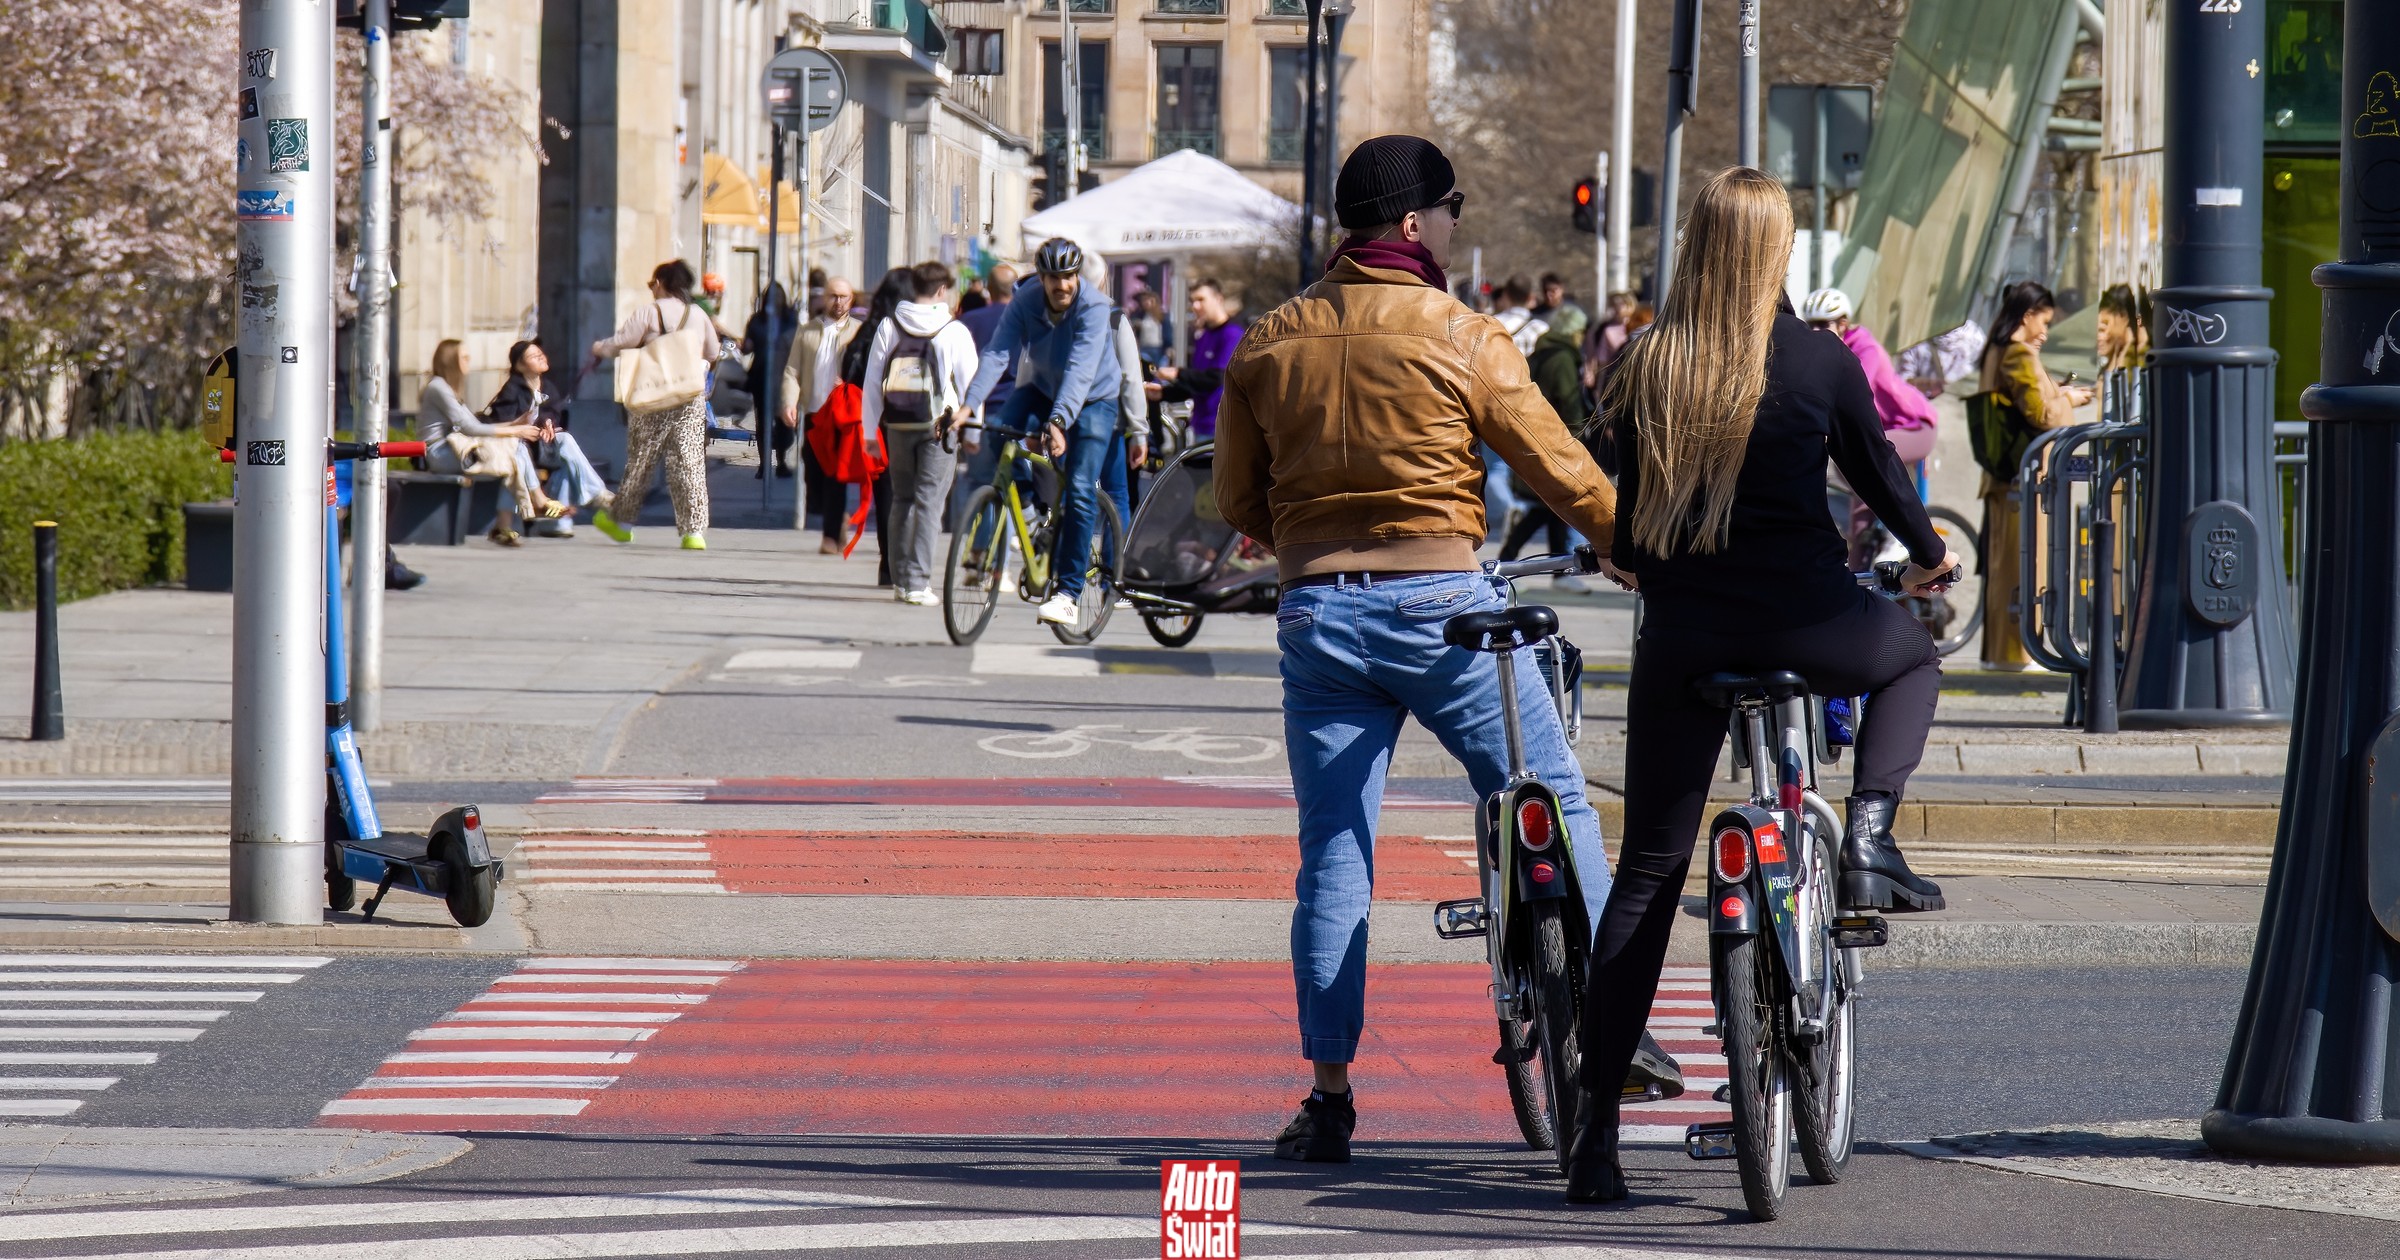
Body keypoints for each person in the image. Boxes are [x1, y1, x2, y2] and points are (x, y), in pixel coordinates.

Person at [1214, 135, 1669, 1166]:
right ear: (1415, 225)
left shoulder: (1269, 339)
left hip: (1319, 613)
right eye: (1452, 209)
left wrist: (1304, 534)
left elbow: (1238, 497)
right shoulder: (1463, 334)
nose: (1459, 227)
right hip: (1443, 608)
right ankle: (1611, 1019)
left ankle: (1328, 1097)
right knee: (1550, 794)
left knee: (1335, 855)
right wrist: (1627, 548)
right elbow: (1556, 466)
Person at [1571, 167, 1960, 1204]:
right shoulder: (1818, 359)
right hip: (1815, 624)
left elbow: (1618, 505)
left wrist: (1630, 555)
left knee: (1649, 874)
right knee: (1916, 657)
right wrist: (1927, 559)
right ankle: (1870, 834)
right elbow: (1881, 477)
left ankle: (1594, 1139)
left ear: (1695, 246)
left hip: (1687, 641)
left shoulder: (1650, 361)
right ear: (1779, 252)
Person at [956, 237, 1124, 626]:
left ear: (1077, 276)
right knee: (996, 433)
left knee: (1081, 487)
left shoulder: (1094, 307)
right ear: (1042, 277)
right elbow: (998, 352)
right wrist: (968, 406)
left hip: (1095, 400)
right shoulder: (1026, 298)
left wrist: (1059, 421)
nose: (1061, 286)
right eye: (1052, 278)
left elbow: (1082, 369)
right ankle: (1030, 513)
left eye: (1068, 277)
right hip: (1044, 390)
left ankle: (1068, 594)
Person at [1977, 281, 2093, 669]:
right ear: (2026, 316)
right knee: (2022, 567)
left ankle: (2003, 652)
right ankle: (2017, 653)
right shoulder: (2018, 355)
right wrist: (2068, 398)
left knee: (2002, 566)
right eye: (2042, 322)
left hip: (2003, 476)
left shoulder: (1996, 351)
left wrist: (2054, 391)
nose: (2045, 331)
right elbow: (2042, 415)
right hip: (2021, 480)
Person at [862, 261, 979, 606]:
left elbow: (872, 381)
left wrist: (871, 431)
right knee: (930, 502)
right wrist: (972, 432)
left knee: (902, 498)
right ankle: (917, 582)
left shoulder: (890, 325)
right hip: (938, 426)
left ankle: (900, 578)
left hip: (896, 423)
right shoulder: (953, 330)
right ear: (942, 290)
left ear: (914, 287)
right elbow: (972, 384)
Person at [589, 260, 722, 550]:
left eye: (652, 284)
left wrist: (599, 348)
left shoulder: (649, 312)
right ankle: (694, 532)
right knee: (689, 463)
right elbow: (714, 351)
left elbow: (622, 343)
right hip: (688, 398)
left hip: (652, 398)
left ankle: (622, 524)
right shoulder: (697, 314)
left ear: (660, 282)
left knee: (641, 462)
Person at [1801, 288, 1941, 565]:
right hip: (1882, 430)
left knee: (1869, 463)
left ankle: (1900, 535)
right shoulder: (1828, 351)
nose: (1816, 331)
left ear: (1843, 324)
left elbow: (1846, 399)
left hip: (1915, 425)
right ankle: (1861, 575)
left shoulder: (1865, 349)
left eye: (1823, 324)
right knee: (1859, 530)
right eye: (1811, 325)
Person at [415, 339, 564, 547]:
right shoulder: (438, 388)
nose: (469, 362)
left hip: (456, 450)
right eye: (464, 358)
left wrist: (513, 424)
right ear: (451, 361)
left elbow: (472, 424)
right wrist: (515, 430)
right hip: (441, 454)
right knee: (514, 452)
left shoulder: (447, 388)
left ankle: (505, 524)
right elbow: (471, 429)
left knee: (513, 456)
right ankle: (535, 501)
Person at [482, 339, 619, 538]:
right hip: (520, 447)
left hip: (541, 446)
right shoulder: (512, 389)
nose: (540, 357)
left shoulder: (547, 385)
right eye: (533, 356)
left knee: (565, 444)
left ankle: (561, 523)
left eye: (540, 353)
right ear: (520, 365)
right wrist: (530, 425)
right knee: (565, 451)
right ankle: (596, 496)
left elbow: (552, 411)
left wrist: (547, 423)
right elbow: (505, 421)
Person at [1501, 304, 1593, 578]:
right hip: (1557, 436)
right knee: (1550, 505)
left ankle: (1557, 568)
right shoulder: (1562, 357)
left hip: (1538, 432)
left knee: (1553, 507)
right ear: (1575, 331)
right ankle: (1514, 556)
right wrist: (1577, 437)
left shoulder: (1543, 351)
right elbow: (1569, 401)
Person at [780, 275, 861, 554]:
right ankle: (836, 517)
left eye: (844, 297)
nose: (838, 302)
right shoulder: (807, 331)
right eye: (833, 296)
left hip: (841, 414)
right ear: (824, 297)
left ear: (852, 299)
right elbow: (793, 370)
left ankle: (830, 535)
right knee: (812, 474)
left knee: (836, 475)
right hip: (814, 412)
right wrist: (789, 402)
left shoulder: (858, 332)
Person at [842, 269, 913, 585]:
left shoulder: (871, 328)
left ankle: (887, 563)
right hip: (913, 417)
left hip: (877, 419)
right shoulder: (915, 327)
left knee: (887, 491)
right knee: (914, 491)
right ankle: (908, 561)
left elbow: (849, 371)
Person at [1152, 279, 1243, 442]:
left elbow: (1217, 378)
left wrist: (1178, 373)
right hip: (1202, 426)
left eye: (1201, 300)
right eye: (1192, 301)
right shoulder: (1203, 336)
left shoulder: (1233, 334)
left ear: (1218, 299)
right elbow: (1196, 384)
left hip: (1225, 427)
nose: (1195, 306)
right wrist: (1163, 393)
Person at [742, 282, 799, 480]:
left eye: (778, 296)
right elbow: (747, 346)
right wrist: (745, 345)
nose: (775, 300)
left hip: (785, 376)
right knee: (763, 422)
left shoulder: (791, 320)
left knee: (785, 422)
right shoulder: (757, 320)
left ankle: (782, 461)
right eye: (771, 297)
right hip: (762, 375)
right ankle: (764, 464)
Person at [1580, 290, 1639, 393]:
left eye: (1620, 304)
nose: (1615, 309)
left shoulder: (1639, 324)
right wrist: (1590, 373)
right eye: (1613, 305)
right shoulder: (1604, 329)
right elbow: (1599, 358)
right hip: (1614, 375)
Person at [1132, 289, 1170, 365]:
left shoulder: (1161, 316)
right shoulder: (1140, 315)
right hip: (1144, 347)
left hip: (1157, 348)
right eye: (1144, 300)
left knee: (1157, 369)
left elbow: (1167, 333)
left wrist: (1169, 347)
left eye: (1149, 300)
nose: (1146, 303)